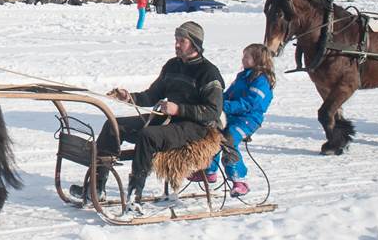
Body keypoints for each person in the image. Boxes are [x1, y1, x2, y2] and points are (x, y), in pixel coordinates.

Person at [70, 22, 224, 205]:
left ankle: (135, 196)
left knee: (147, 136)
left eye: (181, 41)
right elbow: (153, 95)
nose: (176, 44)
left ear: (195, 44)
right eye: (176, 40)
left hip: (196, 128)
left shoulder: (208, 72)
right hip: (169, 120)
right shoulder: (172, 65)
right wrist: (129, 97)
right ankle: (97, 187)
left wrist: (178, 109)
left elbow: (213, 111)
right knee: (113, 125)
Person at [201, 44, 275, 197]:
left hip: (249, 119)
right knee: (212, 133)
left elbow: (249, 104)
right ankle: (209, 170)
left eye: (247, 56)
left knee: (228, 138)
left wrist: (224, 106)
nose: (243, 59)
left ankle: (239, 181)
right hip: (233, 115)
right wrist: (216, 101)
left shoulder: (261, 80)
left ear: (258, 60)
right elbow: (228, 94)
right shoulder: (243, 76)